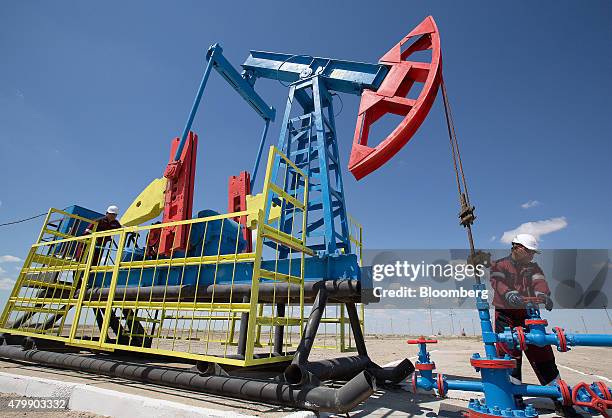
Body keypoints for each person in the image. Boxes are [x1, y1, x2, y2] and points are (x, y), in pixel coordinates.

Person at [490, 233, 579, 417]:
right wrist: (508, 294)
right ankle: (515, 401)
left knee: (544, 356)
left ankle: (561, 402)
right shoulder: (500, 265)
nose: (532, 255)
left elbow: (540, 282)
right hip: (505, 319)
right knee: (510, 361)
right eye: (529, 251)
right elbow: (498, 282)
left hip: (529, 318)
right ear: (518, 248)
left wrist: (544, 295)